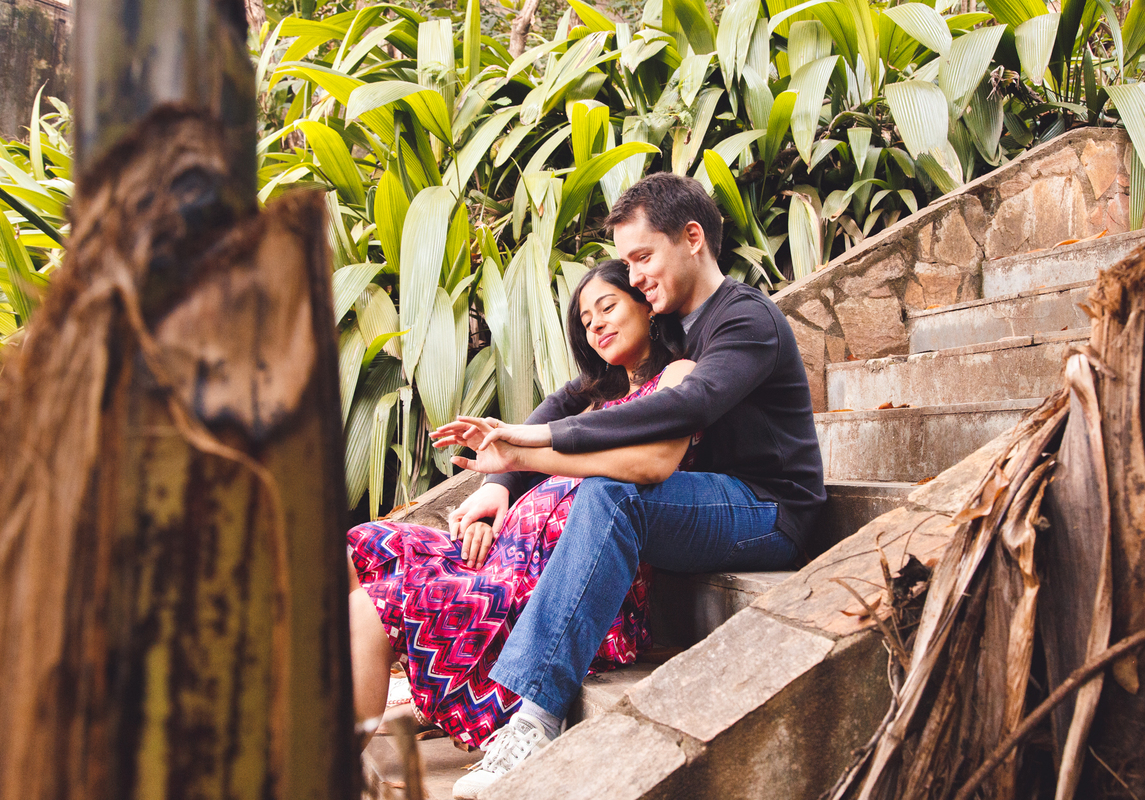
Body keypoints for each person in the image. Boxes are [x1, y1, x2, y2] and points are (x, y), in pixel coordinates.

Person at [432, 172, 826, 799]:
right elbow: (573, 396)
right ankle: (522, 710)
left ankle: (535, 716)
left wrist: (545, 441)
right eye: (628, 262)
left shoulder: (745, 319)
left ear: (692, 238)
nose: (636, 276)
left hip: (769, 510)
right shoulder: (672, 327)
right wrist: (505, 475)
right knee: (606, 489)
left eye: (644, 257)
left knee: (613, 489)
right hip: (708, 500)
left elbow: (687, 406)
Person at [346, 260, 698, 750]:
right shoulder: (595, 400)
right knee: (358, 548)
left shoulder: (677, 377)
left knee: (370, 607)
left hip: (551, 589)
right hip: (504, 557)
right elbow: (539, 433)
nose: (595, 323)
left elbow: (648, 463)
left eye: (608, 306)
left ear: (647, 304)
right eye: (585, 319)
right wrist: (498, 494)